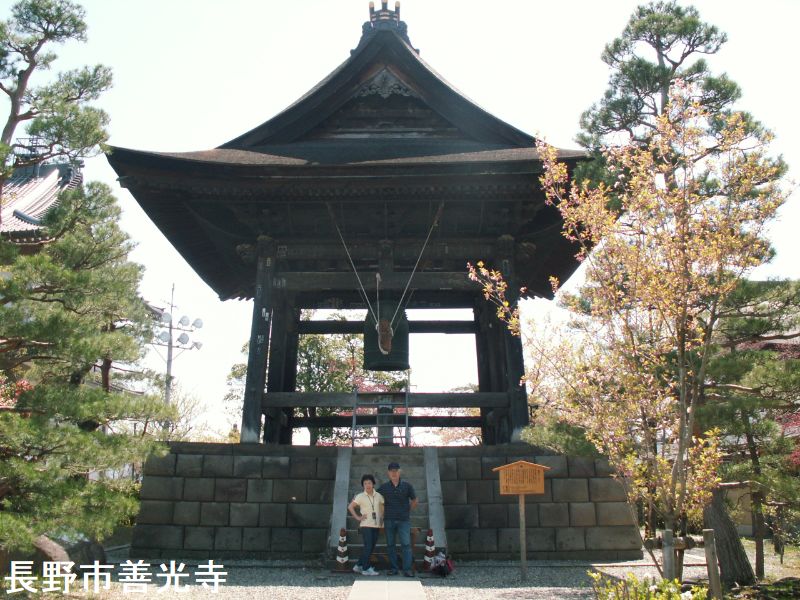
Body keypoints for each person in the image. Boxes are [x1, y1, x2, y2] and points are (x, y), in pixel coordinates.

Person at [377, 461, 418, 577]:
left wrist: (407, 510)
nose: (394, 473)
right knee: (390, 545)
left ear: (400, 472)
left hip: (403, 520)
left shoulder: (407, 486)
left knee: (406, 544)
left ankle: (407, 569)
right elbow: (375, 497)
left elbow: (415, 500)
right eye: (391, 471)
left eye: (396, 471)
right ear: (388, 473)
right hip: (389, 520)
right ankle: (394, 568)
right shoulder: (384, 487)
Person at [348, 474, 384, 576]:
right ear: (363, 485)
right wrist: (358, 517)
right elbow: (350, 507)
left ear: (373, 484)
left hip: (376, 525)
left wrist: (382, 519)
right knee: (368, 546)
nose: (367, 485)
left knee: (371, 547)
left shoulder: (379, 496)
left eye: (369, 483)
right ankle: (366, 569)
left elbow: (383, 507)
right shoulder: (360, 496)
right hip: (366, 525)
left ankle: (358, 565)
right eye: (365, 483)